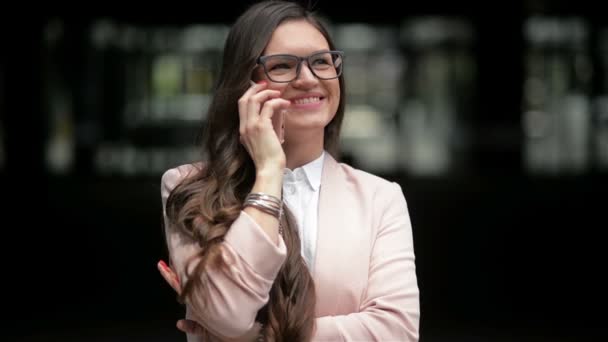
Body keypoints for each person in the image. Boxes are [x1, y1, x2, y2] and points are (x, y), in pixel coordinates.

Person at [157, 0, 420, 340]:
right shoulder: (187, 187)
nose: (308, 79)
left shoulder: (380, 198)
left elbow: (396, 330)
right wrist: (268, 172)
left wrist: (259, 337)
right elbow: (229, 315)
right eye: (282, 66)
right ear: (244, 84)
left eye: (321, 62)